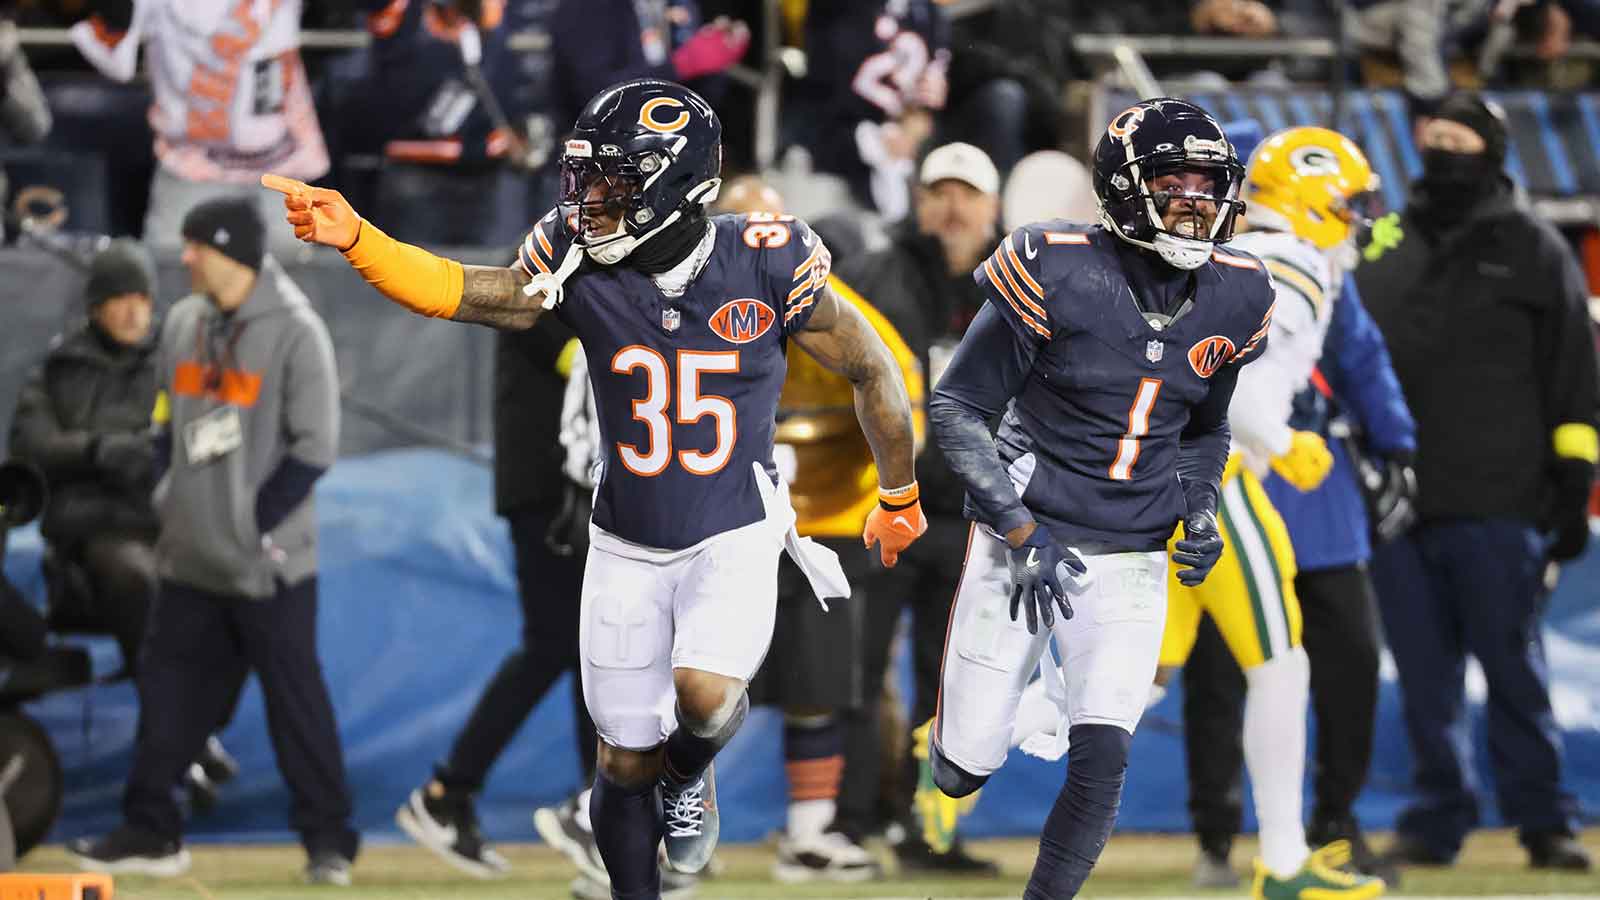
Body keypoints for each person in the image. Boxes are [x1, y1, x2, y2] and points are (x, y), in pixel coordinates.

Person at [263, 77, 924, 900]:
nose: (589, 202)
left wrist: (899, 496)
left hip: (734, 529)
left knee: (706, 694)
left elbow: (873, 366)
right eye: (587, 180)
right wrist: (359, 237)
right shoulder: (572, 254)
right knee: (620, 759)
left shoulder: (767, 255)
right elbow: (470, 293)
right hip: (625, 541)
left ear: (678, 187)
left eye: (614, 184)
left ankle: (689, 780)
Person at [923, 98, 1274, 900]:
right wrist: (1015, 528)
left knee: (1105, 756)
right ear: (1123, 188)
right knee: (959, 770)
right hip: (1030, 529)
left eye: (1208, 184)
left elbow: (1202, 431)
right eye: (1174, 183)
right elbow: (957, 407)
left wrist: (1202, 509)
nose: (1196, 202)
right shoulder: (1053, 262)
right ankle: (1001, 716)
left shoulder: (1240, 294)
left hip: (1132, 547)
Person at [66, 198, 358, 885]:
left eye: (197, 247)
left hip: (269, 566)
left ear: (231, 251)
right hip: (190, 557)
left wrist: (251, 523)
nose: (186, 258)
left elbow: (316, 449)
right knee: (167, 697)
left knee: (296, 704)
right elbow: (168, 419)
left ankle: (329, 841)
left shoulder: (296, 333)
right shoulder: (184, 322)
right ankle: (151, 831)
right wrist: (174, 498)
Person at [1355, 92, 1598, 872]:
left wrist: (1573, 484)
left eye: (1460, 139)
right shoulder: (1384, 239)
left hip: (1502, 501)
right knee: (1426, 681)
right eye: (1434, 139)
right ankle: (1435, 818)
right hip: (1400, 504)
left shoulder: (1534, 247)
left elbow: (1576, 378)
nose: (1443, 152)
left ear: (1491, 152)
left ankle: (1545, 821)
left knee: (1513, 671)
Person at [1142, 126, 1387, 900]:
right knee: (1279, 663)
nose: (1354, 222)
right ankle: (1282, 862)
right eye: (1347, 204)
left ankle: (957, 751)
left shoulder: (1240, 255)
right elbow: (1233, 392)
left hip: (1158, 478)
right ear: (1315, 198)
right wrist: (1288, 444)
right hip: (1209, 478)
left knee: (1134, 679)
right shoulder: (1294, 262)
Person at [715, 173, 922, 884]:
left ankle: (808, 831)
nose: (752, 249)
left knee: (822, 685)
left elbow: (899, 393)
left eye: (765, 234)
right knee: (695, 686)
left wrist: (884, 490)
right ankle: (656, 825)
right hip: (716, 524)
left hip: (821, 524)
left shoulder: (830, 306)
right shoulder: (678, 307)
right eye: (737, 232)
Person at [1183, 269, 1418, 889]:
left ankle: (1332, 823)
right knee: (1217, 676)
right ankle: (1219, 830)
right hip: (1235, 481)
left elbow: (1361, 353)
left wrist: (1396, 446)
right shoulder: (1222, 261)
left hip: (1315, 492)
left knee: (1349, 664)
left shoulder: (1322, 269)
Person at [7, 239, 241, 812]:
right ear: (96, 307)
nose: (135, 311)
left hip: (168, 524)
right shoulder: (60, 370)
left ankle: (193, 729)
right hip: (95, 539)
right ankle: (182, 740)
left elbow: (221, 429)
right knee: (139, 580)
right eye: (119, 299)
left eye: (142, 297)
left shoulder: (182, 360)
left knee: (251, 591)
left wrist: (159, 453)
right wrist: (99, 451)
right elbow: (29, 444)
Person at [827, 142, 1003, 875]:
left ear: (992, 209)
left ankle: (929, 831)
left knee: (951, 680)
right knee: (858, 671)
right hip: (889, 506)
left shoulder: (1020, 285)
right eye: (940, 192)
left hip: (972, 517)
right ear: (918, 200)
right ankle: (843, 825)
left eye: (967, 194)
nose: (953, 207)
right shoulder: (876, 274)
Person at [395, 312, 601, 879]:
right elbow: (589, 362)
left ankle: (456, 794)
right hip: (553, 494)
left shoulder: (569, 258)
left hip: (564, 490)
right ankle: (595, 814)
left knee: (581, 648)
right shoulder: (544, 261)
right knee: (571, 645)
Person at [70, 0, 329, 254]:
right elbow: (116, 61)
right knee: (168, 278)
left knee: (295, 286)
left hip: (279, 164)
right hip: (191, 165)